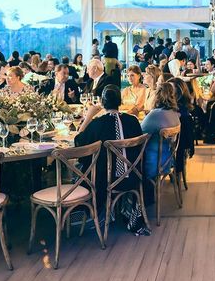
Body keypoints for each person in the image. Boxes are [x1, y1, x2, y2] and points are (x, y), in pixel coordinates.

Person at [74, 85, 148, 234]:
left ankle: (92, 214)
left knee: (80, 167)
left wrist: (89, 116)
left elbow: (78, 142)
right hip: (135, 175)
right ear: (120, 102)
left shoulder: (97, 124)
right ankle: (121, 210)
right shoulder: (133, 121)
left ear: (102, 103)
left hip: (104, 180)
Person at [141, 83, 181, 180]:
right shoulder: (174, 113)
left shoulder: (155, 114)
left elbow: (138, 132)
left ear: (157, 95)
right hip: (167, 160)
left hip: (152, 163)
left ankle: (135, 193)